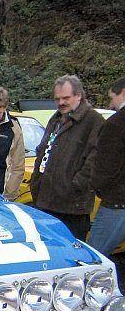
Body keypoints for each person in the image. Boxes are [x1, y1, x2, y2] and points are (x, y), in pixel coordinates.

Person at [30, 75, 104, 240]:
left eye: (66, 98)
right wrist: (37, 182)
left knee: (71, 249)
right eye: (57, 99)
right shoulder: (56, 119)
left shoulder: (93, 121)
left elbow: (96, 159)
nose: (61, 102)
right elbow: (44, 150)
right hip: (46, 202)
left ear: (78, 96)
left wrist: (76, 185)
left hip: (72, 207)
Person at [88, 76, 125, 254]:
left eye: (112, 98)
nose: (111, 104)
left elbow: (105, 166)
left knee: (95, 256)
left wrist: (97, 187)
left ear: (123, 93)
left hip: (116, 203)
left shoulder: (116, 124)